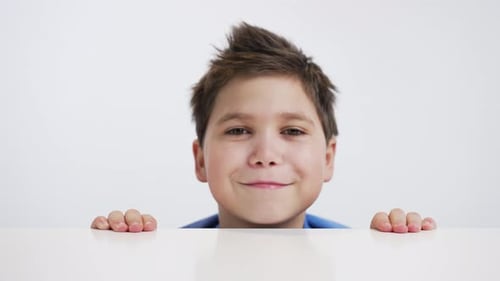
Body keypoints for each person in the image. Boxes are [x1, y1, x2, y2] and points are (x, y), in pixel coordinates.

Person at [91, 22, 436, 232]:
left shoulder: (361, 256)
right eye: (238, 131)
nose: (266, 155)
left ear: (328, 158)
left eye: (293, 131)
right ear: (200, 160)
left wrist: (394, 258)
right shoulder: (165, 257)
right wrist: (120, 253)